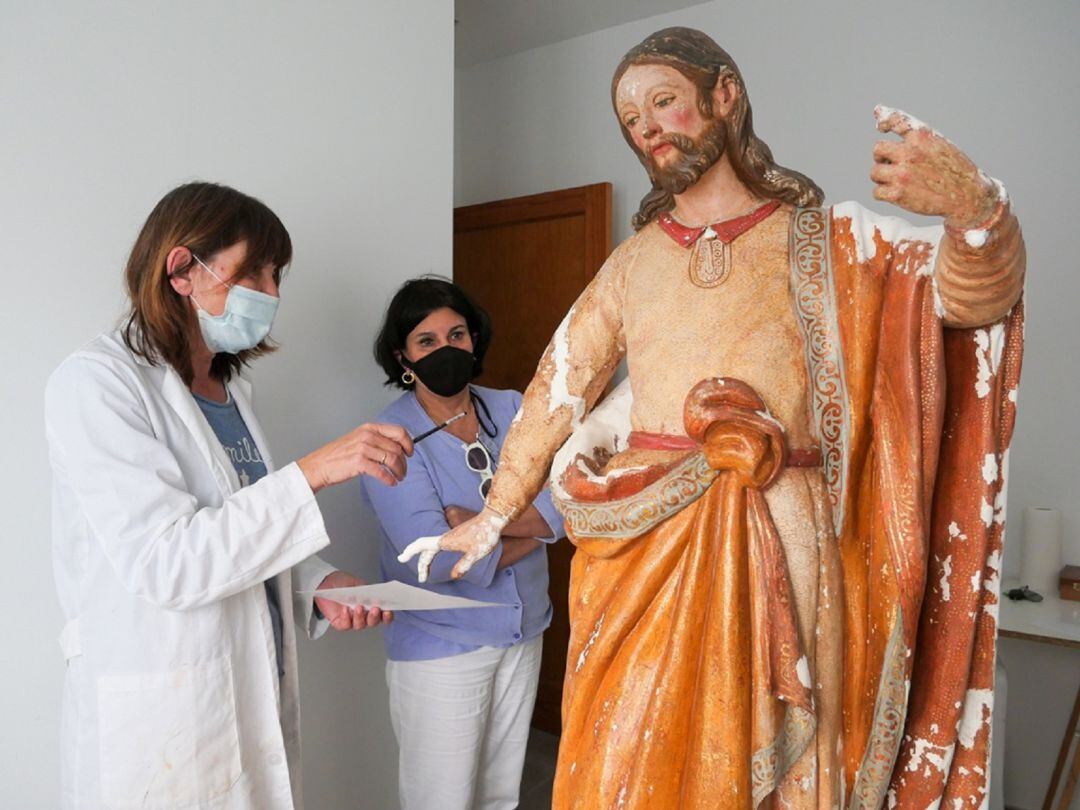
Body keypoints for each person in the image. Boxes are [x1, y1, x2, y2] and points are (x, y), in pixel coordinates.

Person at [400, 27, 1025, 808]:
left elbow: (972, 300)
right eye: (632, 120)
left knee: (777, 769)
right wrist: (495, 513)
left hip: (784, 537)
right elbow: (559, 383)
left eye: (663, 101)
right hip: (642, 545)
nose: (649, 128)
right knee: (627, 755)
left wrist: (976, 211)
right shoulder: (632, 263)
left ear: (723, 95)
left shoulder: (828, 242)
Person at [45, 182, 414, 809]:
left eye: (277, 276)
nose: (272, 294)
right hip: (165, 712)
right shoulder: (97, 383)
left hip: (247, 689)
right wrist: (314, 471)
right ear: (183, 270)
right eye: (256, 273)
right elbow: (167, 562)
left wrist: (317, 585)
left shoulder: (230, 396)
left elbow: (238, 534)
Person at [362, 277, 565, 810]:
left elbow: (570, 501)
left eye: (457, 334)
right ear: (402, 356)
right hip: (442, 649)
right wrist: (535, 522)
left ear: (475, 340)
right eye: (426, 341)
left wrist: (483, 521)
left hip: (523, 633)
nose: (446, 348)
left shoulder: (515, 407)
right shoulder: (387, 440)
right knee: (442, 801)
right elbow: (444, 560)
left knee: (500, 796)